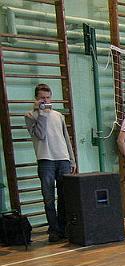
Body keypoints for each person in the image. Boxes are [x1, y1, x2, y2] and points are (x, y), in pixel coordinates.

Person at [25, 83, 77, 242]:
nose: (45, 100)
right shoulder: (30, 116)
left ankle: (63, 228)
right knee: (48, 198)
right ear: (36, 98)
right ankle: (54, 230)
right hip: (45, 160)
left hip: (62, 159)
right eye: (42, 98)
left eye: (47, 97)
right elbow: (40, 134)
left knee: (64, 196)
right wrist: (41, 113)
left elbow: (66, 138)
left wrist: (72, 159)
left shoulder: (58, 116)